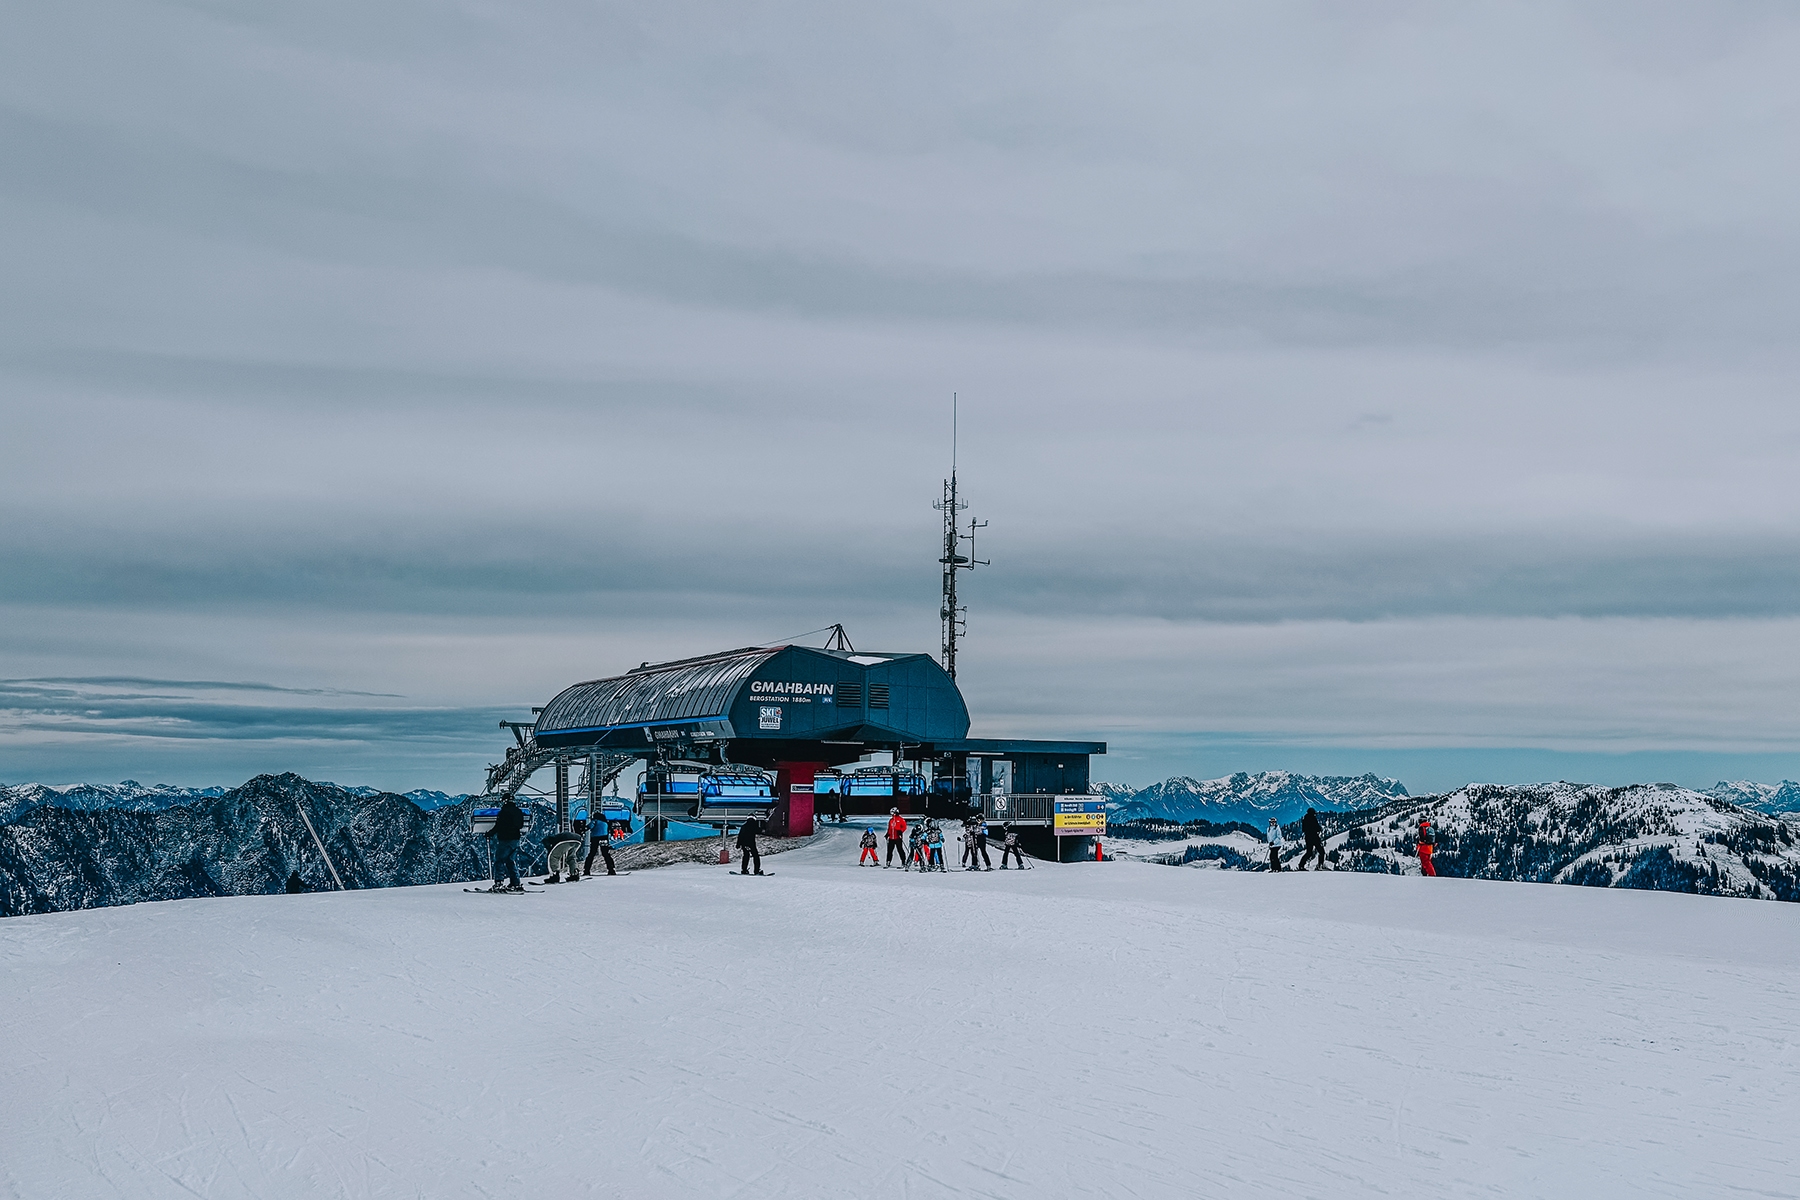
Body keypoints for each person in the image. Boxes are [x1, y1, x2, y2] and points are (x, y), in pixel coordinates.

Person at [489, 797, 525, 892]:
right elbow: (520, 825)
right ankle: (515, 882)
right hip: (516, 839)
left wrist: (490, 833)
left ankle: (499, 882)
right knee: (510, 861)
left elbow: (499, 826)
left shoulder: (503, 812)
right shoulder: (518, 812)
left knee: (499, 860)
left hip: (505, 839)